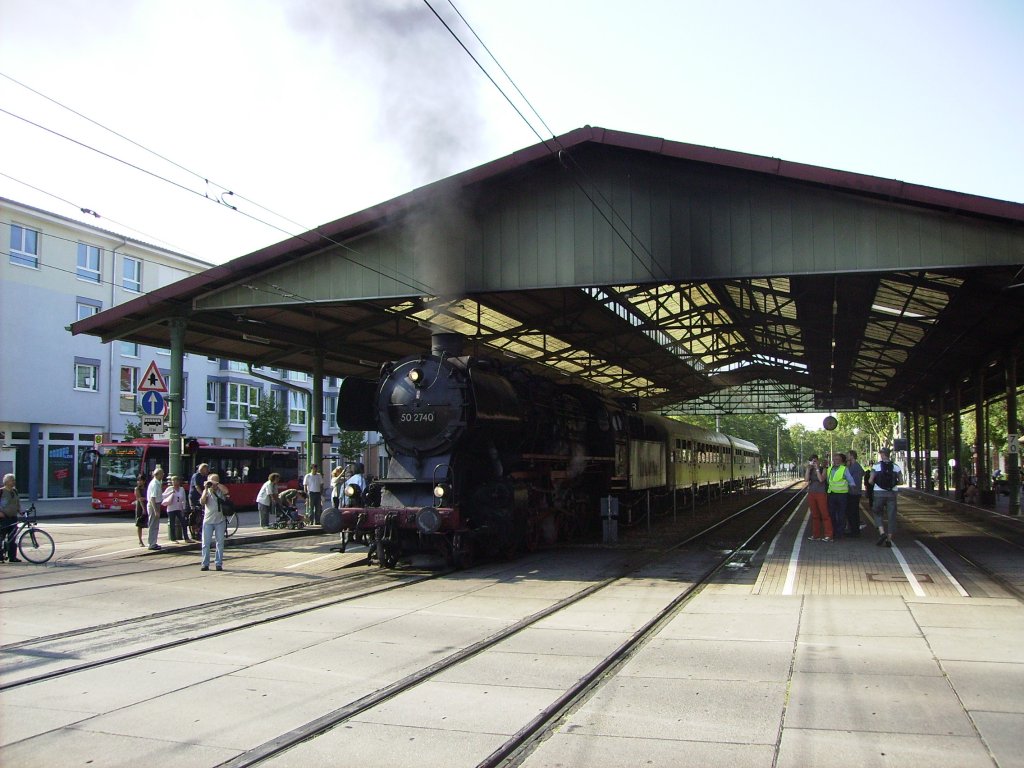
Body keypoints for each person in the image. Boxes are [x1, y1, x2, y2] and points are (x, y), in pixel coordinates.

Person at [868, 447, 903, 547]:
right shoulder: (896, 467)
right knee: (891, 515)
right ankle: (889, 539)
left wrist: (877, 483)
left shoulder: (876, 466)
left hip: (879, 493)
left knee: (877, 512)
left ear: (882, 454)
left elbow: (870, 481)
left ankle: (882, 532)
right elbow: (901, 481)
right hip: (892, 493)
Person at [198, 473, 230, 571]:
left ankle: (218, 563)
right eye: (211, 481)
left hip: (220, 521)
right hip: (208, 521)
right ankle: (205, 564)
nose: (213, 484)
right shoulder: (206, 491)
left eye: (215, 481)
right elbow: (202, 502)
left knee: (220, 543)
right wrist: (206, 488)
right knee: (205, 543)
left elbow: (227, 491)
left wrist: (217, 483)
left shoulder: (221, 491)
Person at [826, 453, 855, 540]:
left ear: (841, 461)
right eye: (834, 459)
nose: (836, 461)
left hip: (842, 495)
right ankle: (834, 531)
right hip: (832, 494)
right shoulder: (830, 469)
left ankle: (840, 532)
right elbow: (828, 481)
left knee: (841, 514)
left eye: (838, 459)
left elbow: (850, 480)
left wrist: (853, 490)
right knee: (832, 513)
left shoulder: (844, 469)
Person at [805, 455, 832, 542]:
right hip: (812, 493)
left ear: (818, 461)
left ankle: (828, 534)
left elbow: (821, 479)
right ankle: (816, 534)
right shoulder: (810, 469)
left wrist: (817, 469)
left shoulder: (823, 469)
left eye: (815, 461)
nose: (814, 463)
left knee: (824, 514)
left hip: (821, 493)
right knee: (815, 514)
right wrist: (808, 469)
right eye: (812, 461)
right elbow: (806, 480)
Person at [162, 475, 191, 543]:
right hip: (171, 508)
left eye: (176, 480)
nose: (174, 482)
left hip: (179, 508)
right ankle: (173, 538)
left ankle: (186, 537)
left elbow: (183, 499)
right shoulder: (169, 488)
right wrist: (170, 493)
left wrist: (183, 509)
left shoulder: (181, 489)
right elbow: (163, 496)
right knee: (172, 523)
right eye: (173, 481)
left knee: (183, 522)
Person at [1, 473, 22, 562]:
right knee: (1, 537)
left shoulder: (15, 491)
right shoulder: (1, 491)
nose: (14, 482)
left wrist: (20, 511)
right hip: (3, 518)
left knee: (12, 538)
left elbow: (17, 503)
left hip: (13, 518)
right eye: (12, 480)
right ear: (6, 482)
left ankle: (12, 557)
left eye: (14, 480)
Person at [845, 449, 865, 537]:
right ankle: (854, 529)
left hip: (853, 492)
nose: (847, 457)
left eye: (848, 455)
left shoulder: (855, 467)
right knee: (852, 511)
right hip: (854, 492)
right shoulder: (855, 466)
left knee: (852, 511)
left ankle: (854, 530)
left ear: (852, 456)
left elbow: (852, 479)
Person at [146, 468, 165, 551]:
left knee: (155, 525)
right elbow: (152, 498)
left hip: (156, 504)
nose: (163, 475)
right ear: (157, 474)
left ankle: (153, 542)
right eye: (162, 474)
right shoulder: (154, 484)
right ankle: (151, 544)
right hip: (154, 505)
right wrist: (155, 510)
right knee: (153, 524)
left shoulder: (157, 483)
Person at [133, 474, 148, 547]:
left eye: (140, 480)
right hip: (140, 507)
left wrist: (145, 498)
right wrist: (144, 509)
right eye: (138, 480)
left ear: (144, 481)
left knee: (146, 523)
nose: (139, 482)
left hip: (147, 505)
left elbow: (147, 497)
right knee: (139, 525)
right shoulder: (137, 489)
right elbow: (140, 499)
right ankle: (140, 540)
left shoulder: (146, 488)